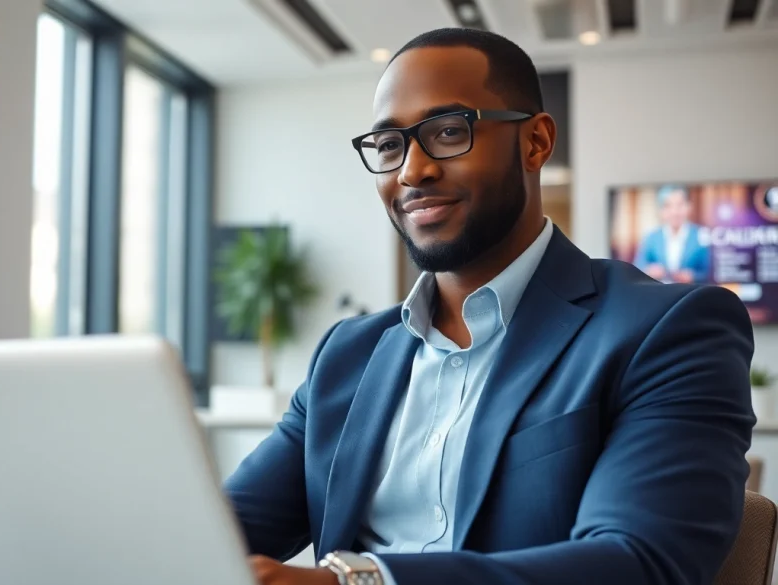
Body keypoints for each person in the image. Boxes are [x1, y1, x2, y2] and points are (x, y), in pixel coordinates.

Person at [225, 28, 754, 585]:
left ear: (536, 142)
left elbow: (640, 562)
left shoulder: (670, 329)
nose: (412, 171)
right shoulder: (347, 355)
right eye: (389, 146)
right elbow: (217, 531)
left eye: (449, 131)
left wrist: (358, 582)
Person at [633, 185, 711, 283]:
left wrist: (692, 276)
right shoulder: (651, 237)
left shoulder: (701, 235)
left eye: (680, 205)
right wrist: (650, 271)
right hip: (660, 293)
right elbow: (637, 268)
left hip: (691, 294)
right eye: (668, 206)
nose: (675, 212)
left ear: (689, 206)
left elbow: (710, 273)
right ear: (661, 210)